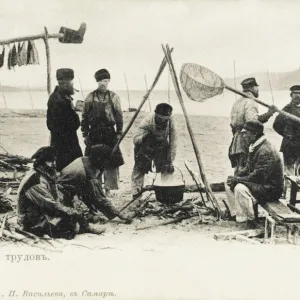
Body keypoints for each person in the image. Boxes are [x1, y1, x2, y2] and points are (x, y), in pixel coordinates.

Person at [17, 146, 105, 239]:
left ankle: (82, 226)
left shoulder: (42, 173)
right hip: (32, 219)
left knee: (70, 206)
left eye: (54, 161)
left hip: (41, 211)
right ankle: (82, 227)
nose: (54, 164)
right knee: (70, 227)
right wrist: (71, 212)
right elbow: (51, 204)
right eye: (50, 161)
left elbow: (55, 194)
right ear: (42, 162)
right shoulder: (35, 181)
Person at [225, 121, 284, 226]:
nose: (243, 136)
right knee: (228, 183)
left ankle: (250, 220)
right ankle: (237, 215)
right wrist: (235, 177)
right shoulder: (256, 146)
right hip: (262, 185)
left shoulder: (266, 150)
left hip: (271, 189)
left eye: (245, 133)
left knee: (239, 188)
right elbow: (248, 168)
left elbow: (258, 176)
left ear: (254, 134)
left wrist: (238, 180)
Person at [58, 144, 131, 223]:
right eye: (105, 160)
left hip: (65, 191)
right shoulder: (88, 175)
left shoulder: (83, 160)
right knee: (89, 212)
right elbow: (100, 198)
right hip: (63, 197)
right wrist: (119, 215)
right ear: (99, 159)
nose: (105, 163)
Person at [81, 69, 124, 197]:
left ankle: (109, 189)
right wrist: (85, 134)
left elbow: (119, 116)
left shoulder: (114, 97)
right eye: (100, 81)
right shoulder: (90, 97)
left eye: (105, 81)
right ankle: (97, 188)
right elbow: (84, 117)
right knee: (94, 161)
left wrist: (119, 132)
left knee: (111, 161)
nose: (103, 84)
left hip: (109, 133)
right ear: (97, 82)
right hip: (94, 133)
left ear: (109, 81)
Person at [229, 77, 276, 174]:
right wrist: (269, 113)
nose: (258, 89)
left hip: (236, 140)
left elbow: (233, 123)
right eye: (256, 87)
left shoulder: (237, 102)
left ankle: (235, 185)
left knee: (239, 167)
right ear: (252, 88)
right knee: (247, 167)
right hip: (247, 140)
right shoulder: (251, 102)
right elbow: (252, 121)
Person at [131, 103, 177, 199]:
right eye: (160, 119)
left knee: (167, 167)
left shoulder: (171, 122)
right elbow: (135, 140)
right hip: (145, 144)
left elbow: (173, 141)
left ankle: (166, 193)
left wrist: (171, 160)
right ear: (156, 115)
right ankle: (136, 195)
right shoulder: (147, 121)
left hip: (162, 145)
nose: (163, 121)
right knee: (139, 167)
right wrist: (146, 136)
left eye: (165, 119)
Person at [47, 68, 82, 171]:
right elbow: (75, 124)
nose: (73, 85)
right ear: (66, 83)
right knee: (72, 171)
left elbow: (50, 124)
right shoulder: (62, 100)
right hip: (67, 145)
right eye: (72, 82)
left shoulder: (55, 97)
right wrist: (75, 111)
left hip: (58, 143)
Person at [273, 85, 300, 178]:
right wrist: (286, 134)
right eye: (295, 94)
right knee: (289, 171)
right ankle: (289, 190)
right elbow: (276, 125)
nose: (298, 96)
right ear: (291, 95)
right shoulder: (286, 109)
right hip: (289, 144)